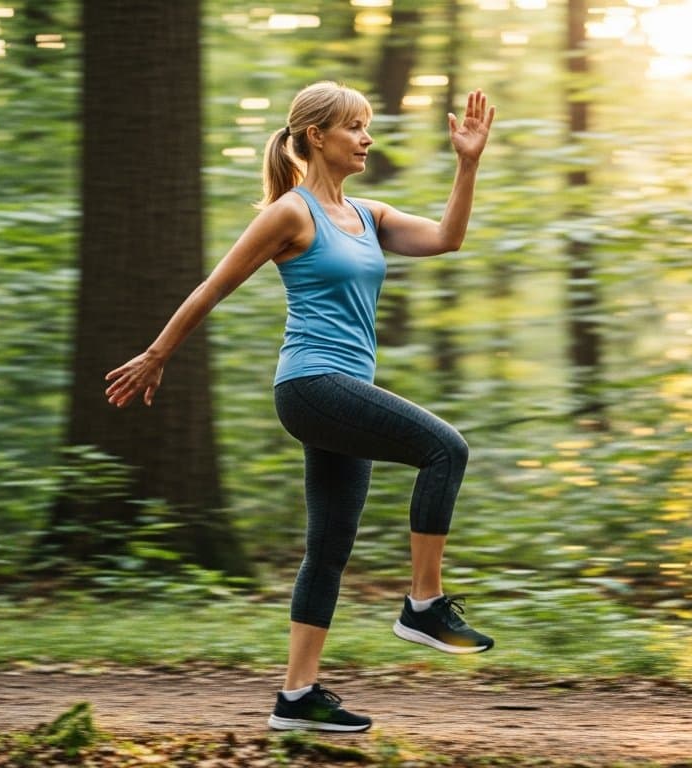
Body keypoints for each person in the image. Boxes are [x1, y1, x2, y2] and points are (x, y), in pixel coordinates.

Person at [103, 81, 497, 733]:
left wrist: (468, 162)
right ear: (317, 136)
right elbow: (213, 287)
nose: (368, 138)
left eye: (368, 126)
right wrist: (156, 354)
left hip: (344, 393)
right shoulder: (292, 213)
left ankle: (296, 696)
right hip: (311, 385)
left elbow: (447, 239)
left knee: (329, 545)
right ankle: (424, 604)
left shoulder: (368, 215)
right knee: (444, 448)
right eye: (355, 127)